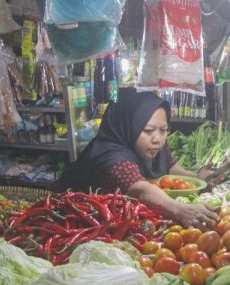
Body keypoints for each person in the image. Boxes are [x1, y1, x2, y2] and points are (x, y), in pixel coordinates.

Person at [59, 91, 218, 229]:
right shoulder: (112, 157)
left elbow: (169, 166)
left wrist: (196, 179)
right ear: (128, 126)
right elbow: (142, 191)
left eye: (163, 130)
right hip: (74, 221)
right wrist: (179, 209)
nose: (157, 139)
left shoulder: (150, 144)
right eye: (148, 130)